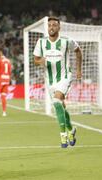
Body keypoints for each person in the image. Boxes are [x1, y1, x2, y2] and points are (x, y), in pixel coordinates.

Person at [33, 16, 82, 148]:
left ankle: (63, 136)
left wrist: (78, 70)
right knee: (60, 105)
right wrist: (40, 61)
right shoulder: (41, 42)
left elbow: (78, 52)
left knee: (56, 101)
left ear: (59, 27)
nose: (52, 27)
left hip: (65, 77)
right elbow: (36, 59)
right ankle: (71, 130)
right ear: (47, 28)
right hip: (50, 80)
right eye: (49, 25)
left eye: (54, 25)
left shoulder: (66, 41)